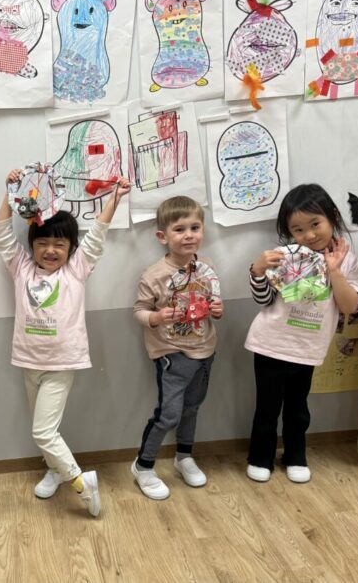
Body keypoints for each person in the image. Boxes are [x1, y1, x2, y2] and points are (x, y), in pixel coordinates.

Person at [0, 168, 130, 516]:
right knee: (45, 429)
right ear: (32, 246)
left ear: (71, 248)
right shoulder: (22, 269)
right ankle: (54, 470)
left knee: (42, 432)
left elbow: (97, 234)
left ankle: (80, 482)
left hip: (62, 363)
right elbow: (2, 237)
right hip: (29, 362)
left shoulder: (76, 270)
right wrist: (11, 192)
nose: (51, 250)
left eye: (59, 244)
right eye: (43, 243)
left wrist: (115, 200)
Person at [245, 184, 358, 484]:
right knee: (267, 408)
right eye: (298, 230)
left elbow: (349, 307)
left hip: (308, 347)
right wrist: (257, 271)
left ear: (332, 216)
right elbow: (264, 300)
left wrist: (334, 271)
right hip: (271, 343)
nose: (309, 235)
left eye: (315, 224)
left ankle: (295, 455)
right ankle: (260, 457)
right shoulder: (285, 256)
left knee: (298, 409)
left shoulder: (347, 259)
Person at [131, 196, 224, 500]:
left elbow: (213, 302)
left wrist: (217, 309)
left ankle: (184, 456)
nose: (188, 235)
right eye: (179, 229)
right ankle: (143, 465)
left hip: (205, 350)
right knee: (168, 415)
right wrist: (156, 317)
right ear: (163, 236)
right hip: (171, 353)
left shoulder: (207, 267)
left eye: (195, 228)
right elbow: (139, 311)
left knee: (192, 408)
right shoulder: (154, 274)